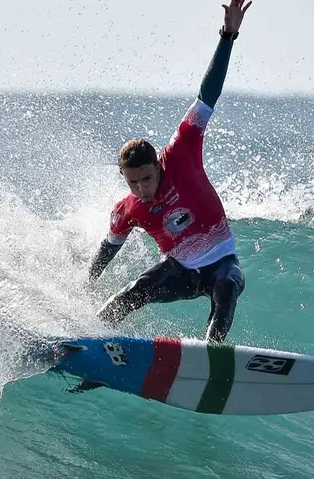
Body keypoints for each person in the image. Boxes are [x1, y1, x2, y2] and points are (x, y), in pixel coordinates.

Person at [88, 0, 254, 344]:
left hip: (221, 260)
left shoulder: (182, 151)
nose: (142, 189)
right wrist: (86, 284)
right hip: (180, 271)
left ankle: (212, 353)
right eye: (133, 183)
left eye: (146, 178)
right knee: (134, 291)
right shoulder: (128, 209)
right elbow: (108, 247)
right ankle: (89, 340)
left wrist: (228, 35)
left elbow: (208, 94)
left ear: (158, 165)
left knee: (226, 289)